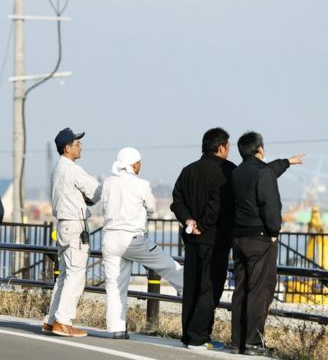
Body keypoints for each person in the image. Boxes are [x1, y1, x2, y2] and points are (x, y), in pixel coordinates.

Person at [231, 131, 303, 355]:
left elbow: (267, 171)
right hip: (260, 238)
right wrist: (274, 231)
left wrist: (287, 162)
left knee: (241, 289)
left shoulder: (237, 172)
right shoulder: (262, 173)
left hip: (239, 238)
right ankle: (253, 343)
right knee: (260, 290)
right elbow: (270, 205)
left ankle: (238, 342)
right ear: (260, 149)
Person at [102, 147, 183, 340]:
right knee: (165, 263)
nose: (140, 166)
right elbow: (152, 208)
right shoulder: (141, 184)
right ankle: (187, 287)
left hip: (110, 238)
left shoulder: (108, 182)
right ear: (134, 164)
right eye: (139, 162)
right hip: (132, 239)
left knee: (114, 286)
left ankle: (116, 329)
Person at [170, 127, 235, 351]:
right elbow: (219, 204)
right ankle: (199, 337)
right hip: (215, 239)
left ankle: (188, 335)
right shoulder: (227, 171)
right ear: (221, 147)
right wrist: (204, 225)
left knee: (192, 287)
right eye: (228, 146)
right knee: (210, 288)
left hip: (191, 239)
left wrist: (189, 220)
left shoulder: (188, 170)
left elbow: (176, 200)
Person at [42, 127, 100, 338]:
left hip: (63, 225)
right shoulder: (73, 169)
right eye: (77, 143)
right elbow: (96, 192)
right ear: (67, 148)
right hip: (75, 225)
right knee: (76, 275)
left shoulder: (57, 169)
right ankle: (63, 322)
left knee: (65, 275)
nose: (80, 146)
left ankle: (51, 320)